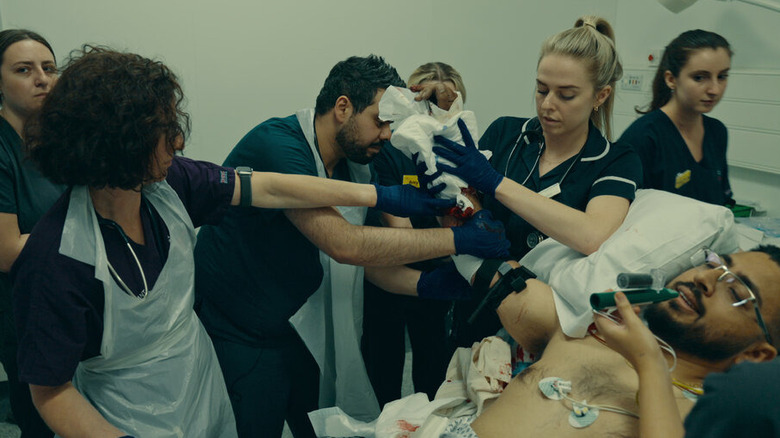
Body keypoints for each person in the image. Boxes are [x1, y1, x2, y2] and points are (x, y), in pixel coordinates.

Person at [11, 46, 469, 438]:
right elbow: (49, 390)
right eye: (163, 130)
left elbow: (267, 188)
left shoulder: (174, 181)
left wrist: (379, 192)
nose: (180, 139)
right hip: (126, 411)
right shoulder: (56, 257)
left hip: (198, 378)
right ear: (117, 142)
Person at [193, 55, 510, 438]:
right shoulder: (279, 147)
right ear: (343, 107)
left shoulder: (352, 162)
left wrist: (429, 285)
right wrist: (459, 240)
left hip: (296, 324)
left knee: (320, 423)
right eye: (379, 121)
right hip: (242, 327)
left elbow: (370, 263)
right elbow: (346, 246)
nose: (388, 135)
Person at [431, 16, 642, 348]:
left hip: (551, 329)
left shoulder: (615, 160)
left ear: (600, 95)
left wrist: (494, 181)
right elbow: (460, 206)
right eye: (542, 89)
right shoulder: (505, 134)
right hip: (478, 306)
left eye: (566, 95)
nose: (547, 104)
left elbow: (591, 235)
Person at [463, 245, 780, 437]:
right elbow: (497, 270)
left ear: (755, 354)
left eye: (736, 291)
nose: (704, 278)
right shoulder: (586, 327)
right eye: (712, 264)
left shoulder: (705, 419)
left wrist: (649, 361)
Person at [362, 62, 467, 407]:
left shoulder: (459, 151)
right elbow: (399, 229)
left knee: (433, 372)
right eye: (426, 102)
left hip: (438, 273)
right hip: (391, 274)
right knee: (384, 371)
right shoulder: (390, 149)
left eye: (443, 103)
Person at [0, 29, 61, 438]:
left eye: (49, 68)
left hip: (64, 301)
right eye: (24, 70)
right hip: (22, 317)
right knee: (41, 423)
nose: (42, 78)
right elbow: (6, 251)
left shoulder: (56, 142)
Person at [619, 30, 734, 206]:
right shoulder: (644, 137)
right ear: (671, 79)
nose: (714, 89)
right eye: (699, 78)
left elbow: (722, 201)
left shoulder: (717, 132)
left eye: (722, 77)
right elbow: (621, 210)